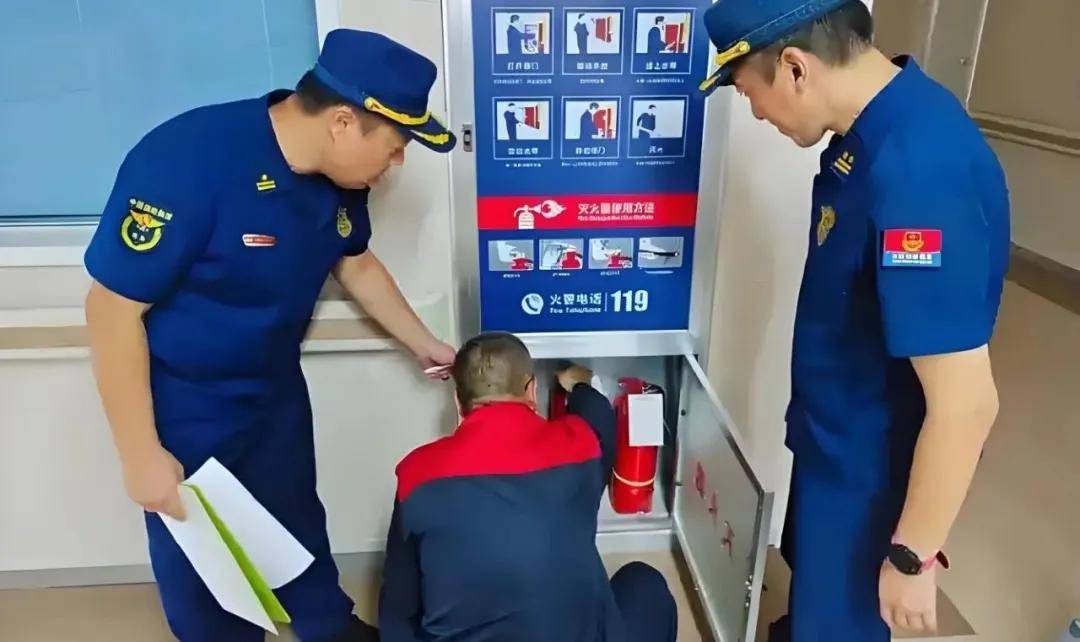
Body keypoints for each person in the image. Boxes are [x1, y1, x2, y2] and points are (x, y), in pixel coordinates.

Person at [83, 29, 458, 642]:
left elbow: (354, 261)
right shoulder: (187, 160)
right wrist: (140, 454)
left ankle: (325, 625)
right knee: (203, 555)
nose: (396, 165)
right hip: (186, 400)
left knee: (294, 517)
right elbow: (111, 310)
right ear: (342, 123)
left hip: (274, 387)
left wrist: (425, 343)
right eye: (393, 148)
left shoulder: (340, 180)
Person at [699, 1, 1009, 640]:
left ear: (794, 68)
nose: (756, 114)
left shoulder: (919, 170)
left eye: (749, 93)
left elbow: (967, 404)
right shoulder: (869, 134)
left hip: (868, 479)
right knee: (812, 607)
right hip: (833, 443)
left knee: (836, 626)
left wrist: (911, 555)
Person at [378, 332, 678, 642]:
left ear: (458, 403)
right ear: (532, 390)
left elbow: (399, 607)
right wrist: (579, 383)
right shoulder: (580, 445)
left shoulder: (417, 474)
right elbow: (598, 414)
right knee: (644, 582)